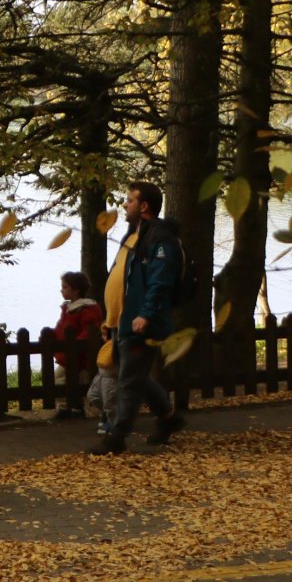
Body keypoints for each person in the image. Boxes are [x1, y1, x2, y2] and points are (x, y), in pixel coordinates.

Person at [89, 181, 187, 455]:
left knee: (129, 379)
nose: (124, 205)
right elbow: (121, 277)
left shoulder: (160, 237)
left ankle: (116, 438)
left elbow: (160, 280)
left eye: (130, 200)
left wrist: (146, 313)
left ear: (144, 206)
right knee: (133, 375)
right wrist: (110, 319)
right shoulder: (134, 235)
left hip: (142, 321)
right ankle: (169, 418)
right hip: (123, 319)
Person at [51, 271, 102, 420]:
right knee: (63, 380)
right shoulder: (68, 309)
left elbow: (89, 332)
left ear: (76, 290)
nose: (62, 290)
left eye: (65, 287)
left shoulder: (85, 309)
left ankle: (76, 408)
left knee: (78, 381)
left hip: (81, 357)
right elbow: (61, 328)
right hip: (67, 355)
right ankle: (68, 406)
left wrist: (75, 346)